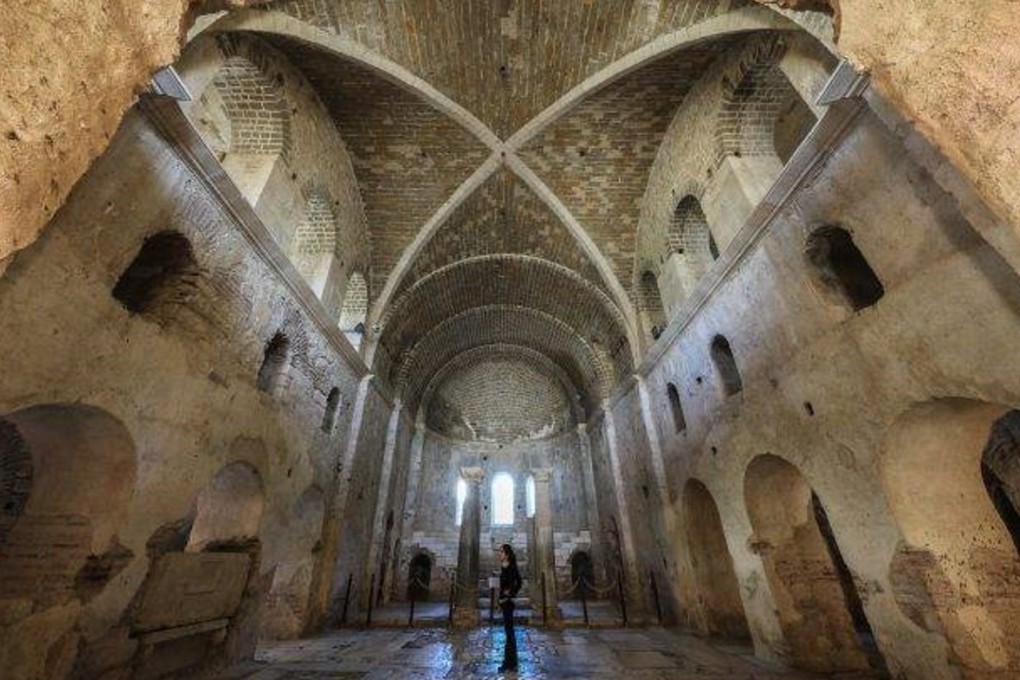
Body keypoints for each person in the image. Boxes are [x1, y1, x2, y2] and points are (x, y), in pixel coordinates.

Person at [497, 543, 522, 673]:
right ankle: (511, 663)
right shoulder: (504, 566)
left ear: (507, 554)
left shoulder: (511, 566)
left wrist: (510, 594)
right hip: (504, 602)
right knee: (509, 633)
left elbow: (519, 582)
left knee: (510, 633)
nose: (499, 554)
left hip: (508, 603)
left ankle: (509, 663)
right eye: (499, 551)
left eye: (501, 551)